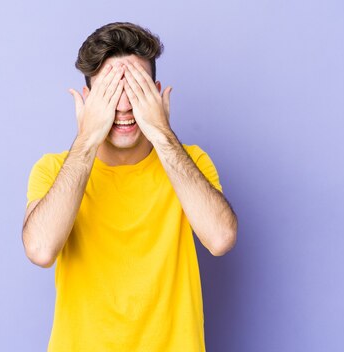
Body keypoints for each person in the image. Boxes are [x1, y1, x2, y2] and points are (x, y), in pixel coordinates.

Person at [21, 22, 238, 351]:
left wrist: (162, 133)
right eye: (110, 91)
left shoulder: (189, 163)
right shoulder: (53, 170)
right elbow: (40, 250)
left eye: (135, 89)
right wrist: (87, 139)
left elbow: (221, 239)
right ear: (88, 99)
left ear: (156, 91)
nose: (123, 106)